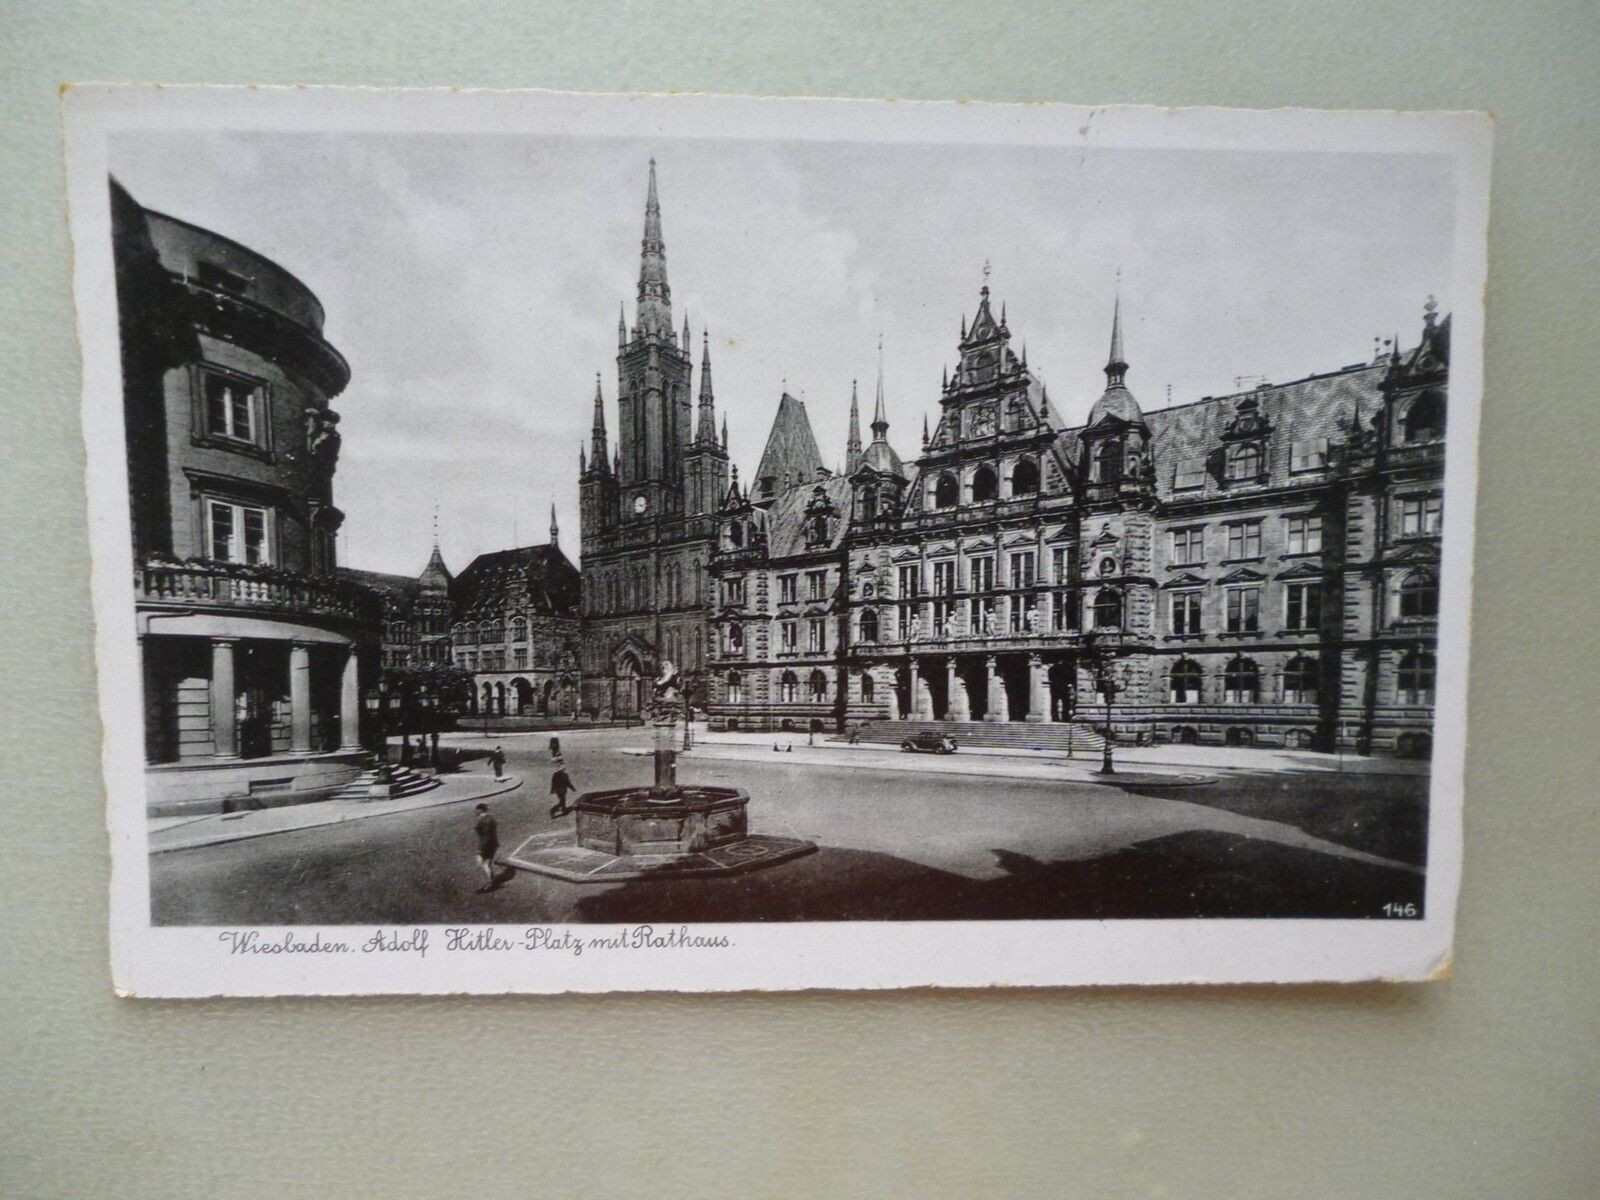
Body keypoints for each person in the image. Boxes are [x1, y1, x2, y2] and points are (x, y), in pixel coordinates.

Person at [472, 804, 499, 893]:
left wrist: (480, 851)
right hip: (492, 845)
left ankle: (491, 883)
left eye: (478, 812)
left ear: (481, 811)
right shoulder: (490, 819)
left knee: (484, 864)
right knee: (487, 863)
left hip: (487, 846)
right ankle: (492, 881)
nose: (476, 814)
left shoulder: (485, 822)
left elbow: (486, 837)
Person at [548, 751, 576, 818]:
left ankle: (564, 810)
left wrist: (552, 790)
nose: (564, 769)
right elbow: (568, 783)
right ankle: (553, 810)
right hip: (560, 791)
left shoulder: (557, 774)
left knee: (563, 800)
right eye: (564, 769)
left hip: (559, 790)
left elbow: (553, 783)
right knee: (562, 801)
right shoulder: (562, 775)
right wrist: (573, 789)